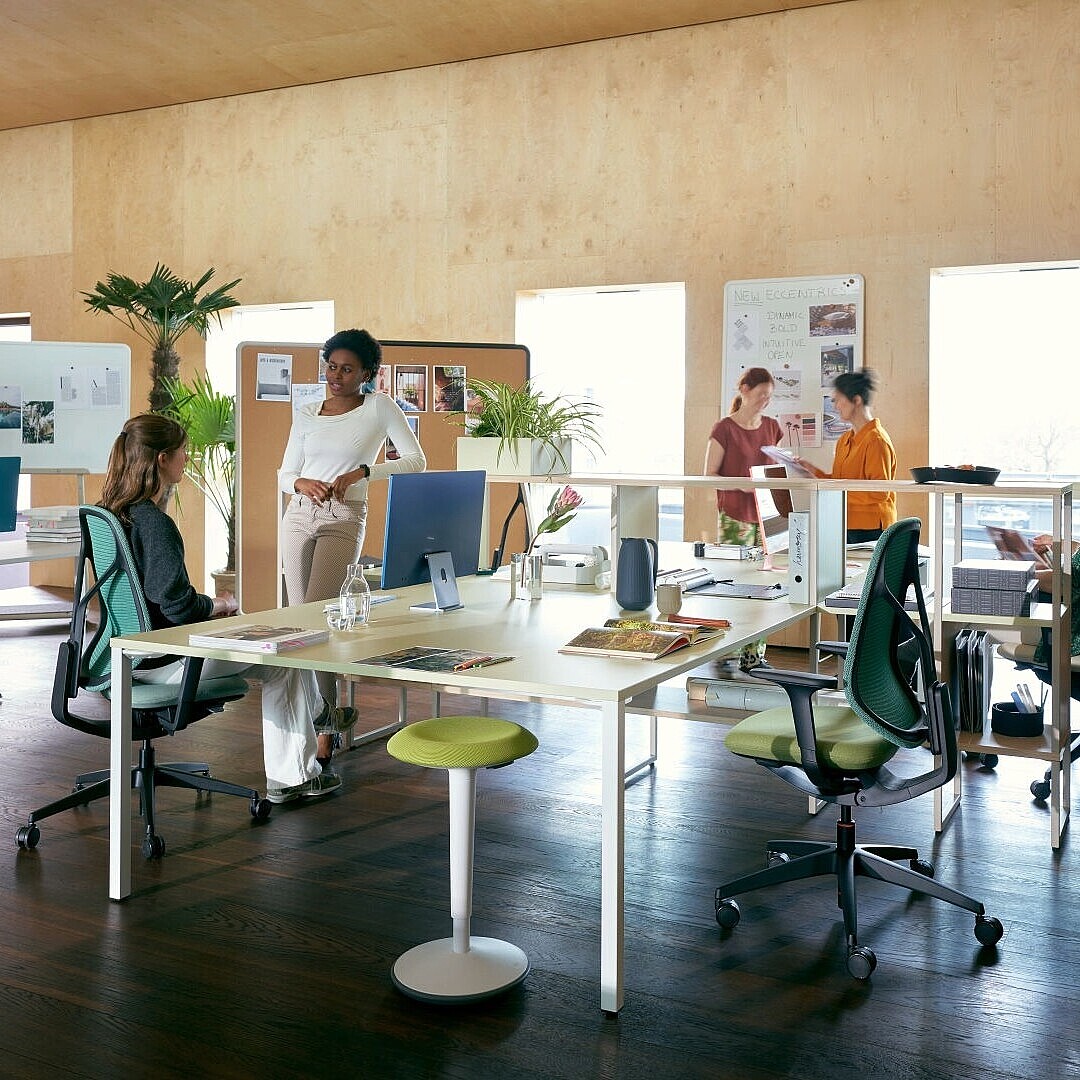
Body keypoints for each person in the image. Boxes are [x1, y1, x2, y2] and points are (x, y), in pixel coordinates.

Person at [99, 414, 346, 805]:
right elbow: (178, 606)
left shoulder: (109, 514)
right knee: (285, 656)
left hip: (123, 658)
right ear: (163, 458)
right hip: (167, 662)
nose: (187, 458)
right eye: (183, 452)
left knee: (275, 649)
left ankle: (319, 718)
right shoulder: (154, 524)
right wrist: (219, 604)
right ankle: (298, 766)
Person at [278, 328, 427, 761]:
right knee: (296, 626)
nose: (336, 375)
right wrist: (301, 482)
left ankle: (323, 726)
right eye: (331, 366)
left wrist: (363, 472)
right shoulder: (306, 413)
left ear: (367, 373)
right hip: (299, 515)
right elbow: (284, 474)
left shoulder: (380, 407)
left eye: (346, 369)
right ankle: (316, 717)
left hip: (344, 517)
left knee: (320, 617)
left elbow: (416, 460)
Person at [704, 367, 782, 670]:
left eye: (769, 397)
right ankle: (728, 650)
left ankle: (755, 655)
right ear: (745, 390)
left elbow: (776, 469)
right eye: (761, 394)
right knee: (735, 586)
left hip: (767, 518)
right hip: (735, 517)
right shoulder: (724, 428)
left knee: (766, 587)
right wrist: (742, 483)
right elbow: (709, 477)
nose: (765, 401)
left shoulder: (773, 427)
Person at [797, 369, 897, 543]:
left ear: (856, 400)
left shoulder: (876, 440)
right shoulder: (844, 440)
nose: (835, 406)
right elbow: (839, 481)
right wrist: (814, 472)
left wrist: (837, 490)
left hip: (871, 528)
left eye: (838, 400)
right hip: (845, 521)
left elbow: (880, 492)